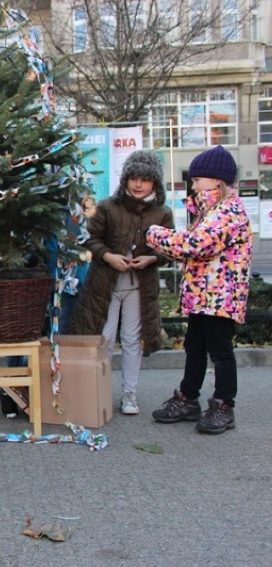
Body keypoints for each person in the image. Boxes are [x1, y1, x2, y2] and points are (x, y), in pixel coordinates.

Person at [146, 145, 252, 434]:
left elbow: (198, 245)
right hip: (202, 296)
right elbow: (190, 251)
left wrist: (155, 233)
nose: (192, 185)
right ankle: (188, 398)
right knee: (195, 347)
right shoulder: (209, 211)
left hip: (220, 297)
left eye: (196, 180)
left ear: (215, 180)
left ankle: (223, 405)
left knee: (220, 351)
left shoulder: (228, 211)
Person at [70, 150, 173, 415]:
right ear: (125, 179)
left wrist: (151, 259)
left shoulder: (162, 213)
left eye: (145, 179)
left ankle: (130, 394)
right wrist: (108, 255)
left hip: (139, 287)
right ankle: (99, 390)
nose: (138, 184)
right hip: (105, 285)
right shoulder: (107, 207)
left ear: (155, 183)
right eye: (134, 178)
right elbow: (89, 239)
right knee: (103, 339)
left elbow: (169, 249)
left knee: (131, 340)